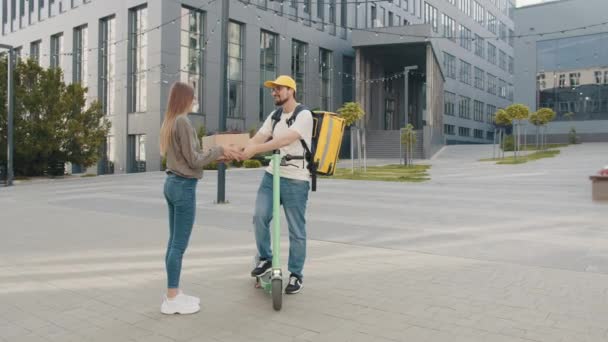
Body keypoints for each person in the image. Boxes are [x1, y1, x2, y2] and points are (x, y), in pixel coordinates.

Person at [159, 81, 242, 314]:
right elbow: (195, 161)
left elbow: (191, 157)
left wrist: (216, 155)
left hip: (172, 183)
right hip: (183, 186)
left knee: (173, 242)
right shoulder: (183, 121)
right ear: (185, 98)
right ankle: (172, 298)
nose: (195, 100)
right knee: (178, 245)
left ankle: (172, 293)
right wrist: (220, 150)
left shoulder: (171, 121)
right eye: (193, 97)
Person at [241, 75, 313, 294]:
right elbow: (259, 138)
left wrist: (256, 150)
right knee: (259, 216)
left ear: (291, 90)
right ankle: (265, 258)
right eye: (272, 90)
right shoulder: (274, 116)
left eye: (278, 89)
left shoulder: (304, 114)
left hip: (296, 179)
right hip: (272, 176)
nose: (274, 93)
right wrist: (244, 150)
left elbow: (284, 140)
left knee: (296, 231)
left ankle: (296, 274)